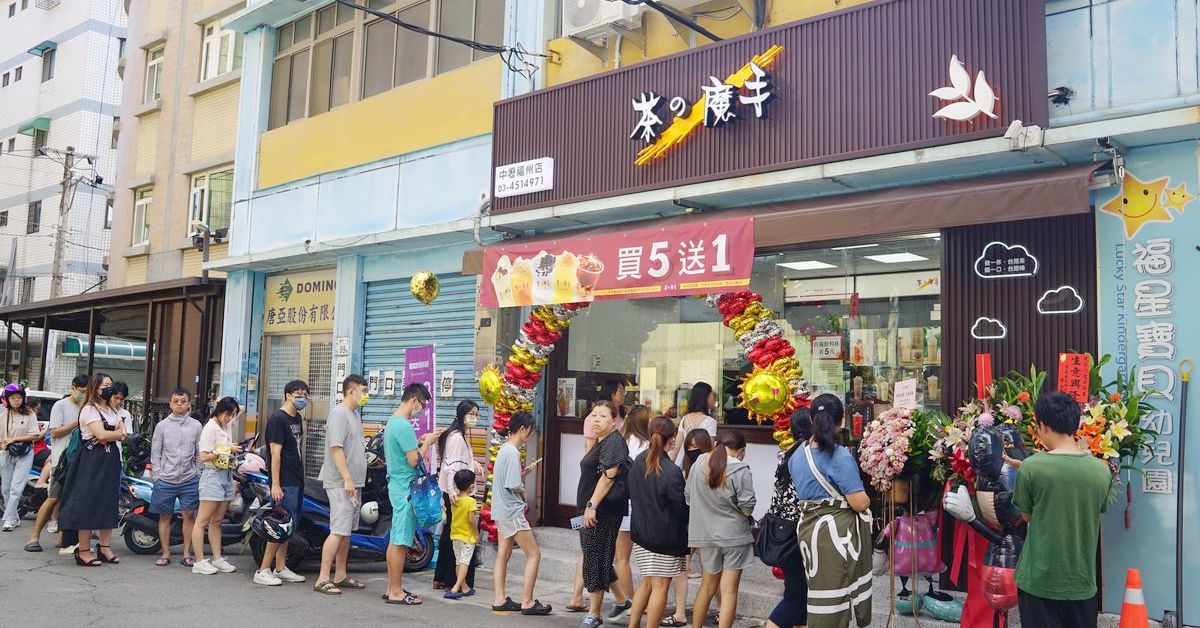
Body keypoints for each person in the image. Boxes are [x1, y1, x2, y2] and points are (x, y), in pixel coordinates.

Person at [1011, 391, 1112, 628]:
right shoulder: (1101, 470)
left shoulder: (1031, 467)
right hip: (1081, 582)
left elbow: (1026, 515)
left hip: (1039, 580)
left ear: (1043, 426)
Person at [788, 394, 872, 627]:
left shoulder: (797, 455)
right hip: (837, 537)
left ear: (812, 419)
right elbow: (860, 503)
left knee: (820, 594)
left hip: (808, 534)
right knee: (836, 602)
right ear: (842, 421)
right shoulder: (840, 455)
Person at [687, 430, 755, 628]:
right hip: (734, 537)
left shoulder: (699, 462)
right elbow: (748, 508)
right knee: (729, 591)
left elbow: (688, 497)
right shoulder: (740, 469)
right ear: (741, 450)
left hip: (705, 535)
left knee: (707, 587)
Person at [57, 373, 126, 566]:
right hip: (91, 459)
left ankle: (104, 548)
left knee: (108, 501)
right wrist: (115, 434)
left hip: (110, 459)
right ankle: (84, 549)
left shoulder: (112, 409)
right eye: (105, 385)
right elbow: (100, 434)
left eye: (111, 384)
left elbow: (122, 433)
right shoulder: (89, 409)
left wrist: (113, 435)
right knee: (86, 503)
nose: (109, 388)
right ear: (95, 387)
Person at [628, 416, 687, 628]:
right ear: (671, 440)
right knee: (660, 587)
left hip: (641, 533)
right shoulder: (671, 471)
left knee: (647, 582)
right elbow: (681, 509)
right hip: (665, 537)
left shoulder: (638, 462)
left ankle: (633, 625)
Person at [491, 410, 552, 616]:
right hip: (512, 512)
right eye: (530, 431)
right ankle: (527, 601)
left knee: (503, 555)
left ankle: (499, 598)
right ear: (523, 429)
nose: (530, 436)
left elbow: (507, 479)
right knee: (534, 554)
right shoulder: (513, 452)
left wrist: (526, 472)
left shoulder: (504, 449)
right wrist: (523, 488)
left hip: (500, 511)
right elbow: (512, 484)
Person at [576, 400, 630, 628]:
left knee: (594, 558)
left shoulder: (614, 442)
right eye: (594, 415)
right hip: (588, 509)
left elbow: (608, 477)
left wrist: (592, 505)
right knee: (595, 555)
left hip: (601, 511)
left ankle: (594, 613)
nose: (596, 419)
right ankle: (621, 601)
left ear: (614, 420)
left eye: (602, 416)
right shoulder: (601, 442)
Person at [314, 375, 370, 596]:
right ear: (351, 391)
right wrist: (346, 478)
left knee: (346, 532)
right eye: (363, 391)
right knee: (337, 530)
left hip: (354, 482)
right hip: (340, 483)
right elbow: (336, 449)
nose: (366, 395)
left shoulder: (354, 415)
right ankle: (322, 577)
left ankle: (340, 575)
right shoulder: (338, 414)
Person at [382, 382, 437, 605]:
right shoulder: (403, 426)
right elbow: (414, 460)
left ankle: (392, 587)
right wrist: (428, 444)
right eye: (422, 404)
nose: (421, 409)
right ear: (414, 400)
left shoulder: (392, 422)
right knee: (400, 541)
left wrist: (419, 442)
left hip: (397, 485)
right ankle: (396, 591)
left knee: (396, 539)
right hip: (406, 488)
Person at [25, 374, 89, 553]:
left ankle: (63, 538)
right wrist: (76, 423)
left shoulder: (87, 407)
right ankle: (34, 537)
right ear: (73, 387)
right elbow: (54, 432)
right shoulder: (60, 406)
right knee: (54, 498)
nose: (83, 395)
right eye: (81, 391)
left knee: (71, 501)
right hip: (61, 460)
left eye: (86, 392)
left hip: (80, 460)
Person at [254, 379, 309, 586]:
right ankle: (263, 570)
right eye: (298, 393)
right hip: (284, 481)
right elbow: (275, 454)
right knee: (278, 525)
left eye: (305, 393)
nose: (303, 397)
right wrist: (275, 484)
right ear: (288, 395)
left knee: (289, 526)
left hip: (296, 479)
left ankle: (280, 567)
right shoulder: (278, 419)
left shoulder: (297, 418)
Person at [662, 427, 715, 626]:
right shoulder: (684, 466)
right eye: (689, 447)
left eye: (696, 447)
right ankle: (680, 612)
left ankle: (719, 609)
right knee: (682, 567)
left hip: (706, 524)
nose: (692, 451)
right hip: (686, 522)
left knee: (710, 568)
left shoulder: (713, 465)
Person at [765, 407, 813, 628]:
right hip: (799, 532)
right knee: (796, 598)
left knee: (799, 596)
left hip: (783, 531)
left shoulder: (787, 453)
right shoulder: (808, 455)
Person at [432, 400, 485, 591]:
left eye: (477, 414)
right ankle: (452, 580)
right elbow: (450, 467)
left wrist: (475, 465)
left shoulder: (461, 436)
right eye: (472, 414)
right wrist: (453, 492)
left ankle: (445, 578)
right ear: (462, 415)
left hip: (455, 492)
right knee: (460, 536)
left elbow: (461, 461)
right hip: (455, 493)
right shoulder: (456, 437)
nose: (475, 418)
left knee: (451, 534)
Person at [189, 396, 243, 575]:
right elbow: (203, 456)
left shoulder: (225, 424)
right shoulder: (210, 428)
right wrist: (227, 450)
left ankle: (217, 558)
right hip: (212, 475)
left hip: (226, 473)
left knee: (217, 520)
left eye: (233, 415)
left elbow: (240, 408)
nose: (230, 418)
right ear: (219, 412)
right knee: (202, 521)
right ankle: (199, 561)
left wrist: (228, 404)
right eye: (228, 414)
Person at [149, 387, 202, 567]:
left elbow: (199, 452)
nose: (179, 404)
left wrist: (198, 473)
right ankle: (165, 552)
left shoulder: (196, 425)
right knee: (165, 516)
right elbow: (155, 452)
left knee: (189, 515)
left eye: (183, 401)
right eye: (175, 401)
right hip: (165, 479)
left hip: (189, 478)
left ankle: (187, 553)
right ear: (170, 403)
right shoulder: (162, 426)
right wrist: (157, 475)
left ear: (189, 404)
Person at [1, 384, 42, 531]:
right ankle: (14, 517)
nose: (17, 400)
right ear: (7, 399)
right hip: (7, 453)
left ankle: (7, 520)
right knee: (5, 488)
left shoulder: (30, 414)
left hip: (25, 453)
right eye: (13, 398)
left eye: (19, 397)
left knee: (16, 488)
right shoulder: (3, 416)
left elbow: (35, 435)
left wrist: (14, 439)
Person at [444, 468, 479, 600]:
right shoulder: (471, 501)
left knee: (459, 562)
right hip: (467, 537)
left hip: (455, 535)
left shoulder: (455, 501)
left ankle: (465, 588)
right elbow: (471, 520)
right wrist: (476, 533)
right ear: (471, 486)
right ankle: (455, 588)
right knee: (464, 563)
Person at [669, 382, 718, 465]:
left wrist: (669, 465)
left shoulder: (685, 418)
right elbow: (710, 449)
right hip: (701, 466)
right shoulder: (710, 422)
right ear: (706, 398)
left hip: (683, 466)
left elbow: (676, 447)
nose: (714, 399)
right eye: (712, 396)